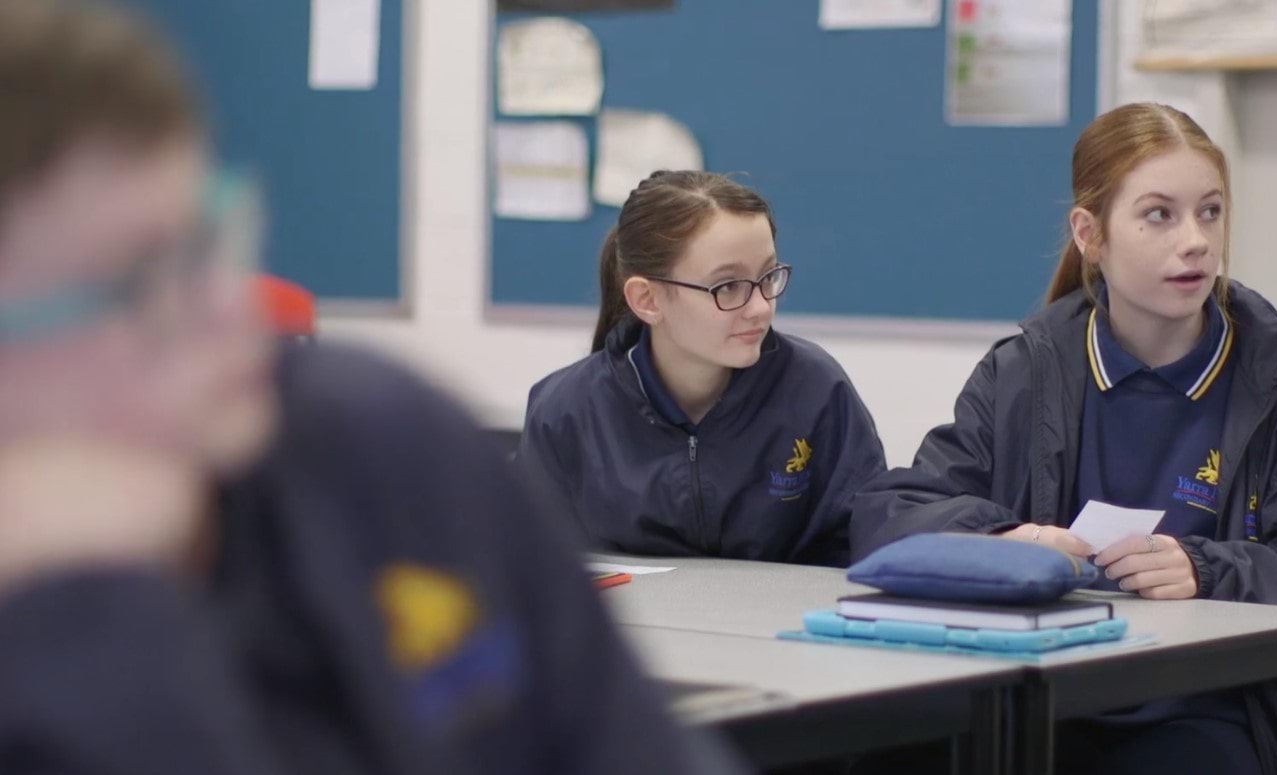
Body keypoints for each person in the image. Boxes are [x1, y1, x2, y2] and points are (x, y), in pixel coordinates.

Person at [0, 2, 743, 773]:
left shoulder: (377, 442)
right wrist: (91, 617)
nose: (234, 308)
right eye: (141, 282)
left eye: (212, 235)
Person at [850, 102, 1277, 774]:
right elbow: (894, 512)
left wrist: (1209, 569)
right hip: (1049, 696)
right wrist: (1003, 539)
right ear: (1089, 233)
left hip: (1220, 709)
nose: (1196, 241)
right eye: (1159, 215)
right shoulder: (1028, 369)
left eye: (1209, 212)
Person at [520, 171, 885, 566]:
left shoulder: (818, 391)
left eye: (768, 276)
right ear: (648, 300)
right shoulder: (565, 412)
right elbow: (529, 567)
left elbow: (865, 545)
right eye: (727, 286)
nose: (761, 307)